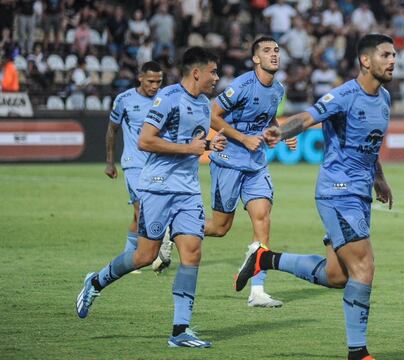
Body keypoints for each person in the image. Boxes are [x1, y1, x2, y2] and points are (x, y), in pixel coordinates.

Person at [233, 34, 395, 360]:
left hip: (360, 195)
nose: (392, 61)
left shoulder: (385, 98)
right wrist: (281, 131)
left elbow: (370, 145)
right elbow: (307, 117)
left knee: (336, 276)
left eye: (394, 55)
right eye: (385, 55)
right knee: (364, 266)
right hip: (337, 193)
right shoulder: (345, 95)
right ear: (365, 60)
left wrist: (379, 179)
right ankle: (358, 352)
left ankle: (266, 259)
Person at [76, 47, 227, 348]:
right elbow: (146, 140)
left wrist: (211, 141)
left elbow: (190, 139)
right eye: (213, 71)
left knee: (192, 252)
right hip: (157, 185)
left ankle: (180, 331)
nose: (217, 77)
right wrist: (192, 150)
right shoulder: (169, 98)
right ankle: (96, 282)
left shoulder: (203, 104)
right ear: (197, 72)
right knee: (144, 256)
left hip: (187, 189)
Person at [206, 36, 296, 307]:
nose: (274, 55)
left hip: (255, 165)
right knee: (220, 228)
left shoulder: (278, 89)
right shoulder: (242, 85)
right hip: (228, 162)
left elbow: (267, 119)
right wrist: (243, 139)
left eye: (277, 50)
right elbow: (213, 114)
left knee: (263, 218)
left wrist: (281, 134)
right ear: (256, 58)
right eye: (267, 51)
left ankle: (257, 291)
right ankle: (175, 227)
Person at [105, 61, 173, 274]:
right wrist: (110, 161)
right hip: (134, 164)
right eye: (151, 81)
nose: (154, 86)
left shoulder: (166, 99)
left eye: (159, 81)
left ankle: (129, 258)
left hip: (158, 164)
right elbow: (111, 129)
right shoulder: (124, 100)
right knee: (143, 209)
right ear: (140, 78)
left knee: (138, 215)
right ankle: (162, 246)